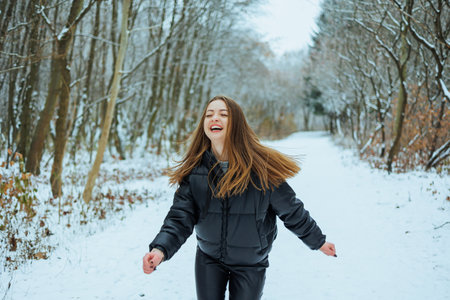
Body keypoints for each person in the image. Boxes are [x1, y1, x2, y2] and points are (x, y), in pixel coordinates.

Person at [143, 95, 336, 300]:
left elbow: (292, 211)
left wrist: (319, 242)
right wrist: (160, 249)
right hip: (209, 258)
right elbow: (180, 218)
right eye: (209, 114)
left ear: (237, 124)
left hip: (250, 263)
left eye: (223, 114)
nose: (214, 118)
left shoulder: (261, 170)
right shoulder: (196, 172)